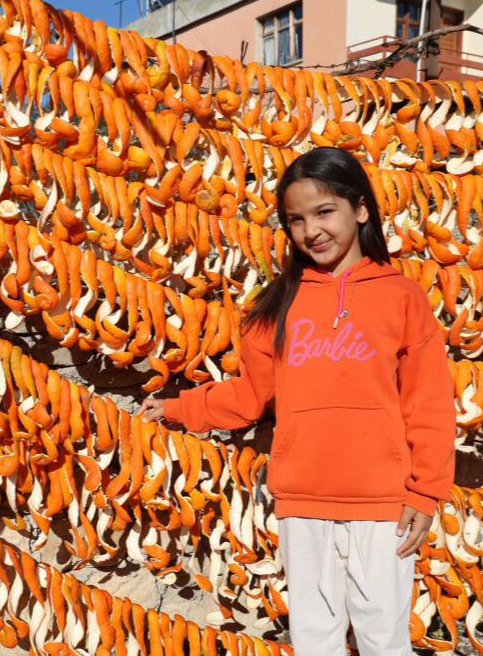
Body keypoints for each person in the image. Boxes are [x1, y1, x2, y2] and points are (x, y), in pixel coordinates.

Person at [138, 147, 455, 656]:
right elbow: (247, 396)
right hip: (302, 502)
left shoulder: (402, 296)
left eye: (324, 212)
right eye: (296, 220)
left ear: (360, 209)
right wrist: (179, 406)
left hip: (382, 505)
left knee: (384, 641)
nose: (312, 231)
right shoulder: (276, 306)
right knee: (314, 642)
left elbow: (430, 402)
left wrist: (425, 493)